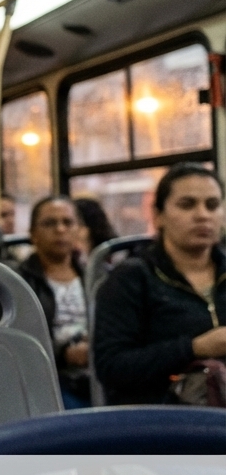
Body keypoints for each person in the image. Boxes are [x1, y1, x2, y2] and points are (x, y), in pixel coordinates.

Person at [94, 164, 226, 405]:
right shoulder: (132, 278)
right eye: (187, 205)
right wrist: (194, 348)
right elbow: (112, 367)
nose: (203, 215)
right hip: (163, 415)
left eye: (212, 205)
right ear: (158, 216)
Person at [0, 197, 91, 409]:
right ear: (32, 234)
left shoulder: (97, 278)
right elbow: (5, 343)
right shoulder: (15, 282)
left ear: (79, 230)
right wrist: (63, 354)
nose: (60, 229)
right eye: (49, 223)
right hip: (46, 375)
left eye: (68, 222)